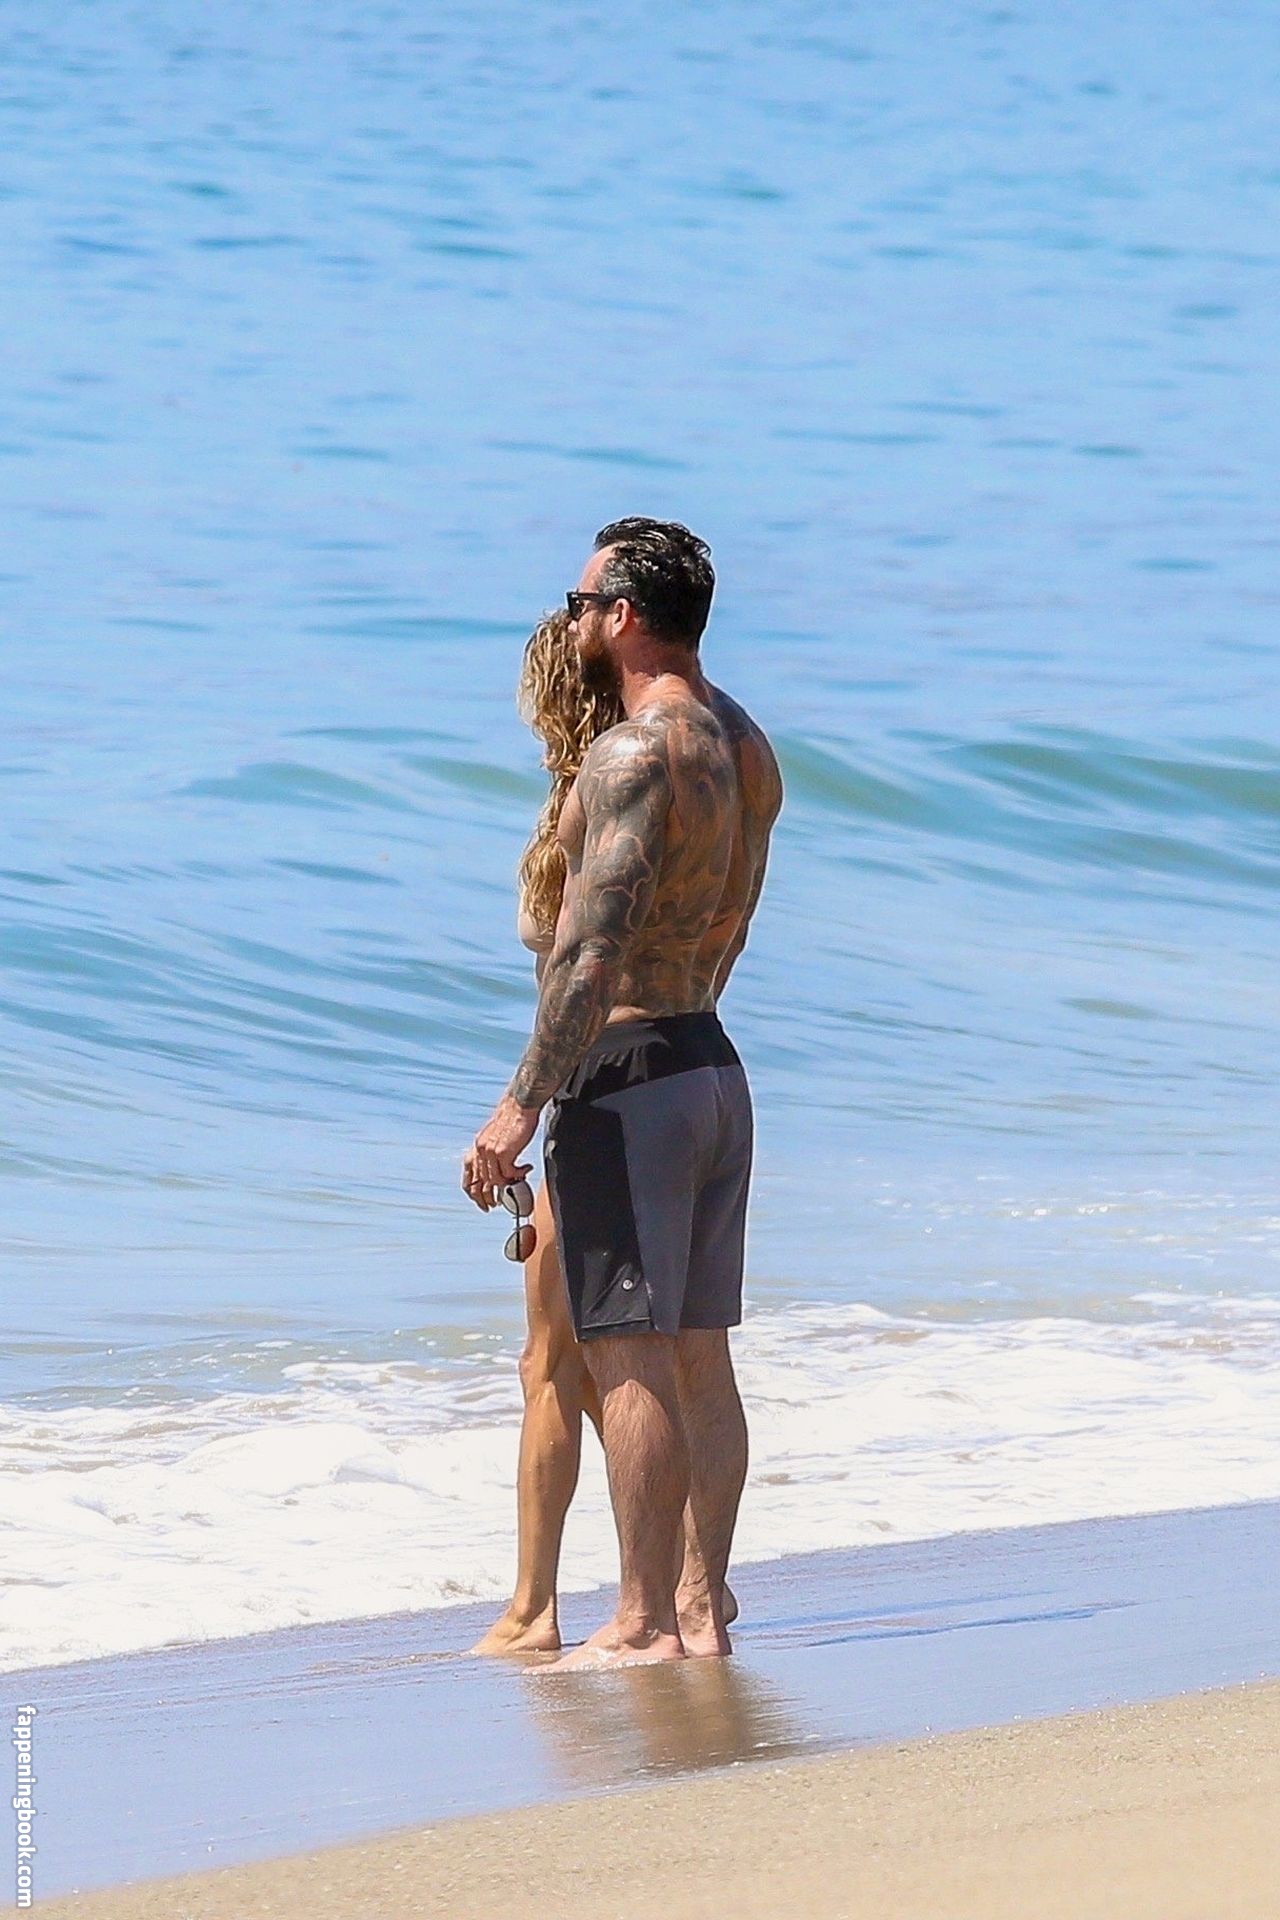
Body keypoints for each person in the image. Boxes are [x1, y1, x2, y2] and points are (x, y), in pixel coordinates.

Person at [463, 518, 782, 1668]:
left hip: (630, 1079)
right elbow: (729, 920)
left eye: (581, 601)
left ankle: (641, 1620)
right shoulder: (744, 745)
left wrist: (520, 1107)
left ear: (625, 616)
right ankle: (700, 1608)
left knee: (626, 1353)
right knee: (699, 1350)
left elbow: (588, 953)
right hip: (709, 1063)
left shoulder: (630, 754)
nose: (572, 619)